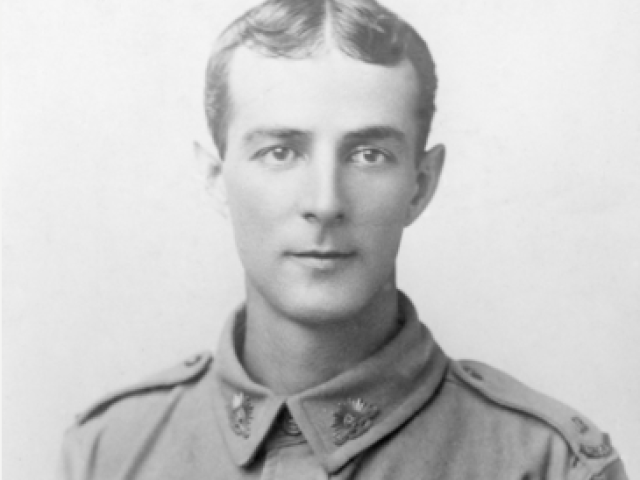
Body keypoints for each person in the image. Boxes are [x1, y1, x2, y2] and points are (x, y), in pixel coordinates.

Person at [58, 0, 628, 478]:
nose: (325, 203)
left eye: (368, 155)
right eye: (280, 152)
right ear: (215, 180)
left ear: (420, 185)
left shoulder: (547, 463)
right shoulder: (111, 451)